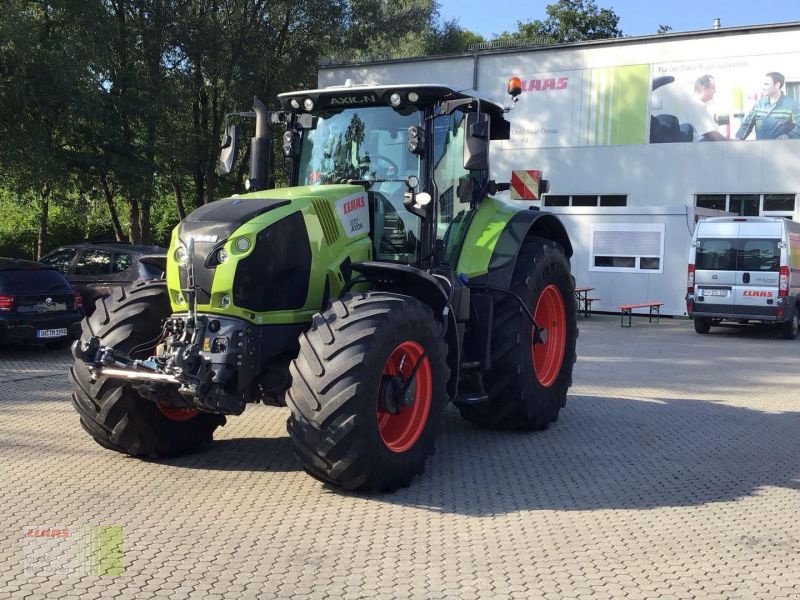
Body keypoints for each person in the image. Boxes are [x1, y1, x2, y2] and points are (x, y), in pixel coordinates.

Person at [736, 72, 800, 140]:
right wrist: (738, 139)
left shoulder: (791, 105)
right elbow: (746, 124)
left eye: (766, 84)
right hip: (761, 149)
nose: (763, 88)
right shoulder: (759, 104)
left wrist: (788, 136)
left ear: (777, 85)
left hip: (782, 148)